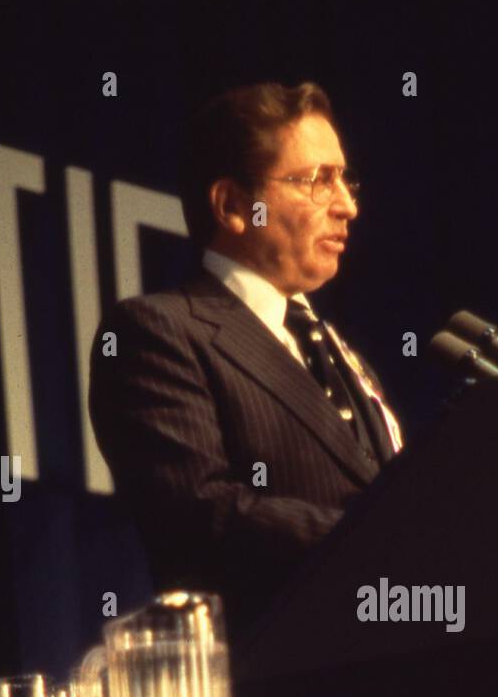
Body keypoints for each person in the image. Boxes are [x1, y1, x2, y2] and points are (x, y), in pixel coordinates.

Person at [89, 81, 402, 647]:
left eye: (345, 179)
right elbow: (202, 513)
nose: (347, 205)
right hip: (278, 695)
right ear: (233, 205)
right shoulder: (162, 332)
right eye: (316, 181)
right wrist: (382, 542)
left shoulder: (339, 352)